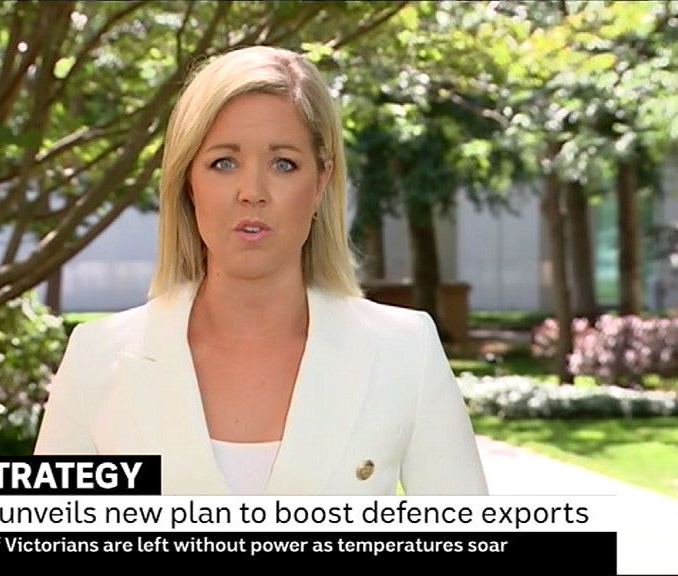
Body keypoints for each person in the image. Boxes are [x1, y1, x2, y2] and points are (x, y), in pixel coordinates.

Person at [34, 45, 488, 496]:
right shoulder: (98, 358)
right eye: (224, 163)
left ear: (321, 182)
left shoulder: (404, 350)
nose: (252, 191)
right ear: (188, 181)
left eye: (283, 163)